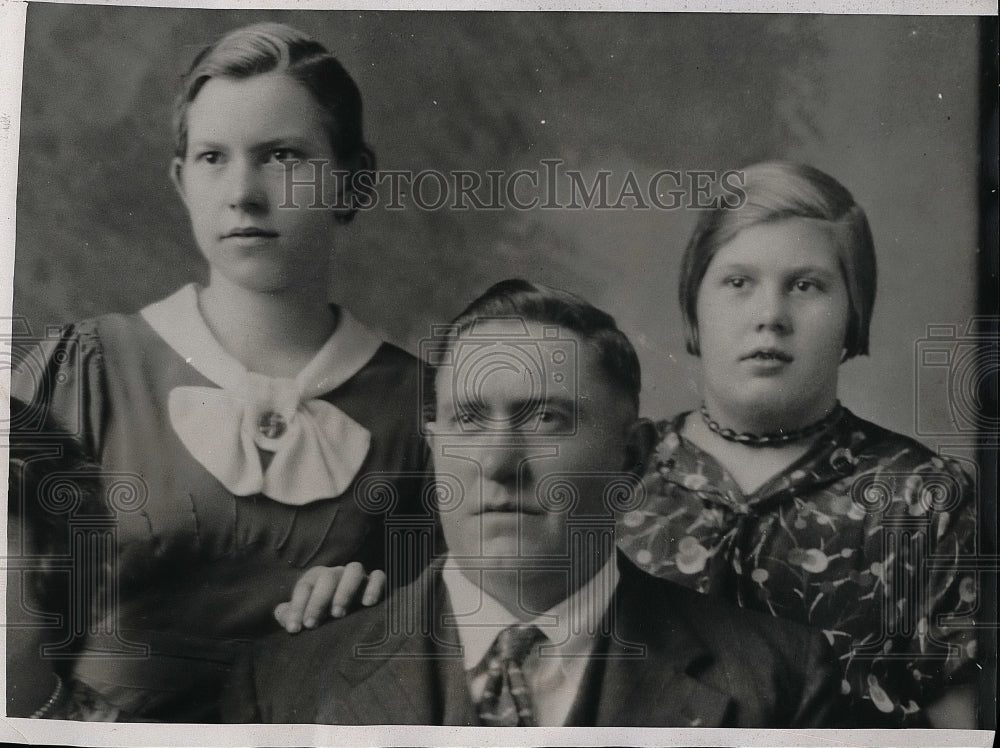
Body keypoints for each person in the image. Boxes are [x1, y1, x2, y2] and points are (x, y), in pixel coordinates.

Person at [8, 23, 429, 721]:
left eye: (282, 156)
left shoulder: (420, 407)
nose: (243, 192)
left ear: (352, 179)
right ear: (181, 182)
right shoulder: (81, 372)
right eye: (212, 158)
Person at [222, 279, 848, 727]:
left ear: (631, 461)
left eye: (546, 418)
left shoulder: (779, 684)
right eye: (467, 421)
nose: (498, 464)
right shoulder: (284, 685)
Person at [616, 161, 981, 728]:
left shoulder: (921, 496)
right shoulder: (619, 472)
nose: (770, 316)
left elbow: (961, 731)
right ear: (695, 304)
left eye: (806, 285)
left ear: (852, 311)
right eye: (738, 283)